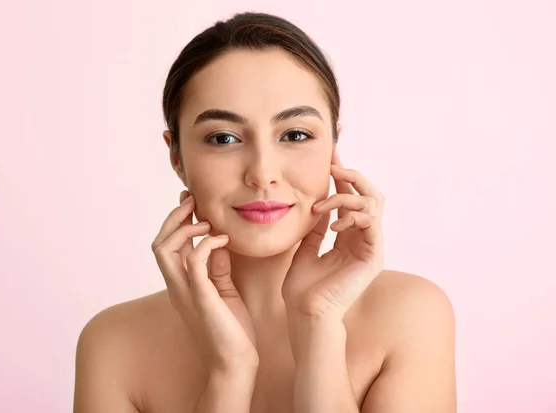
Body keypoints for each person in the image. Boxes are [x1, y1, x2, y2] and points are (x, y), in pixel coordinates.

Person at [73, 11, 456, 413]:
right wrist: (230, 371)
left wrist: (318, 329)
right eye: (223, 138)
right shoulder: (114, 344)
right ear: (177, 156)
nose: (262, 174)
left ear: (332, 145)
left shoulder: (411, 315)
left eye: (295, 134)